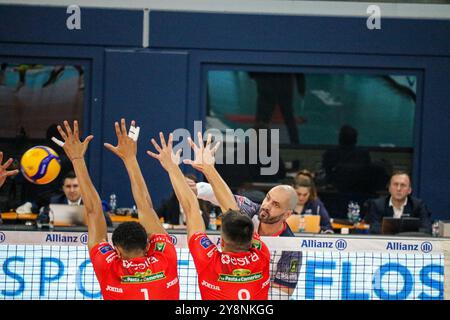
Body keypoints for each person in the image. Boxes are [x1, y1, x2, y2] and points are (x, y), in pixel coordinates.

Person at [57, 119, 179, 299]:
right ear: (147, 246)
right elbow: (146, 207)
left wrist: (77, 159)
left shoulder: (109, 267)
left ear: (117, 251)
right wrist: (130, 158)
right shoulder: (166, 257)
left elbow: (92, 211)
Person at [148, 132, 270, 300]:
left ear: (222, 241)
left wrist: (172, 167)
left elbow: (191, 209)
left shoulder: (210, 261)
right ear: (252, 238)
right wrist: (209, 169)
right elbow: (231, 208)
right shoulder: (262, 255)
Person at [194, 145, 300, 299]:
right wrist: (196, 188)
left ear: (287, 214)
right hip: (225, 283)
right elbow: (224, 198)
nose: (266, 206)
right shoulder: (250, 210)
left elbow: (282, 293)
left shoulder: (291, 248)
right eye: (268, 198)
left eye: (275, 205)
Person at [31, 171, 113, 228]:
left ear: (82, 187)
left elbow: (108, 224)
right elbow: (39, 221)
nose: (72, 190)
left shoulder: (92, 203)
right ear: (63, 188)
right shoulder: (55, 202)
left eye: (75, 186)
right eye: (68, 186)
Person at [365, 171, 432, 234]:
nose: (398, 189)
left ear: (409, 190)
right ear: (389, 188)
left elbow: (427, 229)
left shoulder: (418, 205)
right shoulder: (378, 205)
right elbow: (374, 229)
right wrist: (404, 231)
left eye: (403, 185)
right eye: (395, 184)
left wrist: (396, 232)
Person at [250, 72, 305, 145]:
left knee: (262, 119)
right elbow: (297, 67)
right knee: (289, 117)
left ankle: (258, 145)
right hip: (284, 83)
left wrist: (255, 76)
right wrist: (301, 87)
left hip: (266, 82)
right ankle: (296, 145)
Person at [321, 124, 372, 193]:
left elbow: (326, 173)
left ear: (340, 139)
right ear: (355, 139)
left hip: (334, 193)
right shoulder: (363, 154)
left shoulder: (330, 153)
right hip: (361, 192)